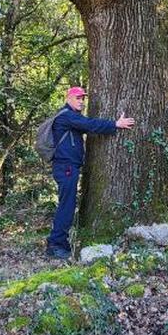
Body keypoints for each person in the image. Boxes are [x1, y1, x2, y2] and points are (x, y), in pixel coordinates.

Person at [46, 86, 135, 259]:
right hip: (66, 168)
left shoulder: (71, 117)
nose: (81, 101)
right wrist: (115, 124)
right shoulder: (66, 116)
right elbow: (90, 125)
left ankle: (58, 243)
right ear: (69, 98)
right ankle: (55, 245)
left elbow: (86, 125)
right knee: (67, 206)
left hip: (68, 167)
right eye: (77, 98)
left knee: (67, 205)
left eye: (82, 99)